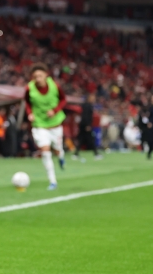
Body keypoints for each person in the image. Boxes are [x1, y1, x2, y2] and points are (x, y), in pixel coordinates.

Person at [25, 62, 66, 190]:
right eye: (35, 77)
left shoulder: (55, 86)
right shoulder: (29, 88)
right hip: (40, 124)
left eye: (40, 76)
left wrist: (55, 110)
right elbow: (27, 102)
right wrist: (30, 113)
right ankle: (53, 181)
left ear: (46, 75)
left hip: (55, 124)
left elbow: (63, 100)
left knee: (57, 150)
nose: (38, 79)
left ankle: (61, 156)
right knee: (45, 151)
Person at [73, 93, 101, 160]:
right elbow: (85, 116)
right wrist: (87, 125)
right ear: (88, 98)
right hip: (86, 126)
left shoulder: (85, 105)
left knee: (82, 140)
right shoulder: (88, 106)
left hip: (83, 125)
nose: (93, 100)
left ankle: (76, 154)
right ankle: (96, 154)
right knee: (90, 139)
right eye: (92, 98)